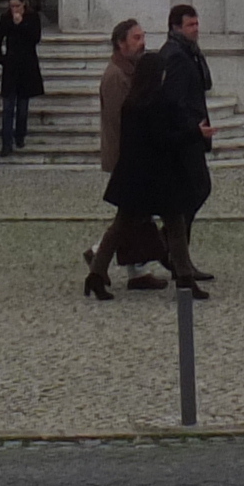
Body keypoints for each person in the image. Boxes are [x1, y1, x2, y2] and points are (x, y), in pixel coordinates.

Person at [99, 49, 215, 297]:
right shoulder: (157, 104)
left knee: (121, 227)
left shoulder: (131, 102)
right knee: (173, 226)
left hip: (135, 176)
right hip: (158, 177)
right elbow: (164, 140)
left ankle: (96, 275)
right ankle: (185, 279)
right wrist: (195, 133)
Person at [86, 18, 168, 291]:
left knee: (136, 216)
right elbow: (119, 121)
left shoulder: (133, 71)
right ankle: (101, 255)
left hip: (133, 155)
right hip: (126, 156)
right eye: (136, 38)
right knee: (130, 215)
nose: (142, 42)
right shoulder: (115, 76)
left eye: (143, 36)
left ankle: (136, 270)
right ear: (121, 44)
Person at [157, 2, 217, 283]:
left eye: (196, 24)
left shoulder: (186, 53)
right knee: (196, 190)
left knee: (190, 196)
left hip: (190, 135)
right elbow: (175, 100)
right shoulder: (178, 56)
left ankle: (177, 255)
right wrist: (193, 129)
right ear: (176, 27)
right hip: (185, 138)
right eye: (190, 25)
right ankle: (169, 249)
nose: (196, 30)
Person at [0, 0, 46, 155]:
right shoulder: (5, 18)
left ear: (24, 4)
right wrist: (2, 59)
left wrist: (21, 24)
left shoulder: (32, 18)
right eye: (12, 6)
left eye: (17, 6)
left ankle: (20, 135)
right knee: (8, 107)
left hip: (27, 67)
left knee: (22, 107)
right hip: (11, 67)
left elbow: (35, 38)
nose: (14, 9)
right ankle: (6, 142)